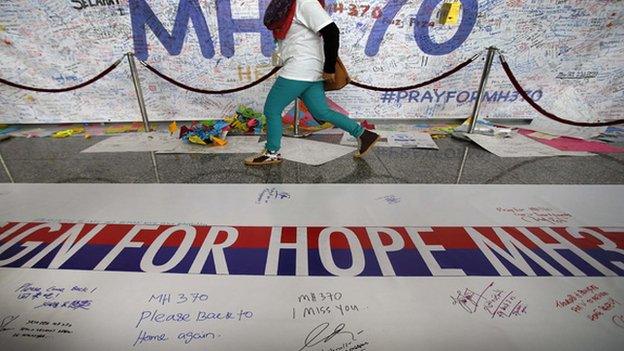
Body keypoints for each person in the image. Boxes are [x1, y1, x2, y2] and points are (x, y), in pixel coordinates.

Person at [244, 0, 380, 166]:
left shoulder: (304, 2)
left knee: (272, 109)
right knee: (321, 112)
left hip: (300, 68)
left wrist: (329, 67)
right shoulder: (286, 6)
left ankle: (271, 153)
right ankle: (364, 135)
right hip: (307, 69)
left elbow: (331, 32)